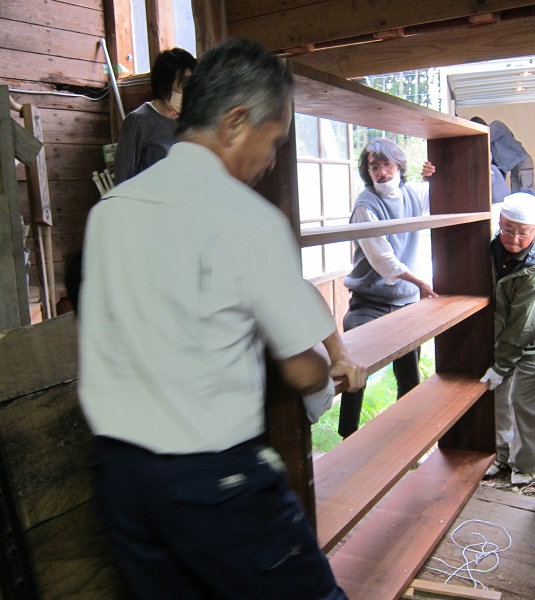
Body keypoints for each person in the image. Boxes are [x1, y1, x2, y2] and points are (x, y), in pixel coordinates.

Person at [78, 37, 367, 599]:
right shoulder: (246, 219)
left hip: (120, 477)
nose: (272, 158)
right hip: (214, 480)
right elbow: (301, 370)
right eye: (274, 139)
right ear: (235, 123)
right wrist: (334, 371)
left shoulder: (110, 212)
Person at [337, 138, 437, 439]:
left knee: (409, 374)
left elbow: (438, 194)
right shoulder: (365, 204)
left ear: (399, 166)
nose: (380, 172)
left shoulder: (413, 193)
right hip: (368, 301)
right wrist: (420, 282)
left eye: (386, 165)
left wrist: (435, 176)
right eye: (373, 167)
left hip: (406, 301)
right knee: (355, 370)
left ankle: (408, 436)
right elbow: (383, 259)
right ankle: (348, 436)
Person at [479, 193, 535, 487]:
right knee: (500, 403)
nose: (514, 238)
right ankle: (501, 455)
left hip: (533, 346)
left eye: (523, 232)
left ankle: (525, 464)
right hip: (502, 341)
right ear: (500, 221)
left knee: (525, 406)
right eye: (508, 229)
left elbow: (525, 324)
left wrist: (501, 364)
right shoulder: (491, 247)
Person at [112, 47, 197, 183]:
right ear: (164, 87)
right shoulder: (138, 122)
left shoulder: (190, 120)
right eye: (183, 86)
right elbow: (123, 180)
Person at [471, 116, 534, 195]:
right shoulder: (489, 144)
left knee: (527, 193)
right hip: (514, 167)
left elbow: (485, 137)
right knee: (516, 195)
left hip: (523, 162)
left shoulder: (497, 125)